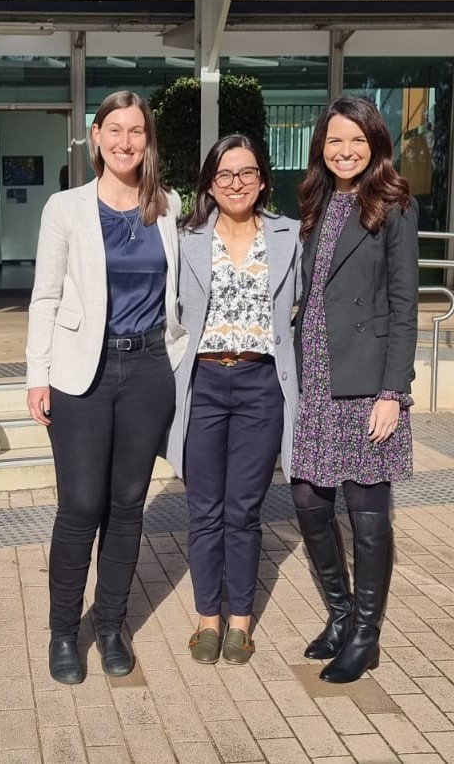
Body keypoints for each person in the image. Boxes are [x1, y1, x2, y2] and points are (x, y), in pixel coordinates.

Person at [26, 90, 188, 685]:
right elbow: (45, 296)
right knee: (80, 508)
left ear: (148, 140)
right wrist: (36, 374)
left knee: (127, 508)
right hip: (81, 374)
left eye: (136, 130)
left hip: (147, 370)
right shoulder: (65, 208)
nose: (125, 141)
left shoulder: (167, 207)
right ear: (95, 137)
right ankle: (64, 633)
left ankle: (113, 625)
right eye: (114, 129)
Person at [291, 95, 417, 684]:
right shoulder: (316, 202)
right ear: (322, 145)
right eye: (335, 141)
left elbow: (404, 304)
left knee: (368, 513)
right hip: (316, 374)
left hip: (367, 383)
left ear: (375, 145)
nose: (345, 152)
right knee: (309, 501)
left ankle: (366, 633)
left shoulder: (393, 203)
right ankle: (340, 614)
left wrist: (394, 391)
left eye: (357, 142)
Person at [163, 133, 300, 666]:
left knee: (243, 510)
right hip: (202, 383)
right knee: (203, 509)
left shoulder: (289, 236)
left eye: (246, 173)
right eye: (224, 175)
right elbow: (168, 312)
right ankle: (207, 621)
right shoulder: (185, 238)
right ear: (210, 184)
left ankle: (240, 621)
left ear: (262, 179)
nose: (236, 183)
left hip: (261, 383)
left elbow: (306, 310)